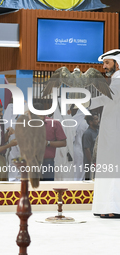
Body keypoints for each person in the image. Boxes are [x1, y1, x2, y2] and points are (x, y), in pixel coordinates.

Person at [90, 49, 120, 218]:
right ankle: (105, 207)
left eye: (107, 63)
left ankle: (113, 208)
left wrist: (86, 99)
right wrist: (86, 101)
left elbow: (108, 97)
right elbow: (106, 98)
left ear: (118, 64)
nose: (104, 67)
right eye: (104, 64)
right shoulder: (115, 81)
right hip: (111, 132)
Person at [33, 103, 67, 181]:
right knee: (32, 189)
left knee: (47, 188)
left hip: (47, 161)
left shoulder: (54, 123)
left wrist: (47, 143)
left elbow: (63, 143)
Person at [0, 102, 17, 181]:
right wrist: (10, 145)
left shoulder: (0, 122)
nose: (1, 114)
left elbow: (2, 141)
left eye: (2, 111)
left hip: (2, 158)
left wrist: (8, 133)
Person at [72, 106, 90, 181]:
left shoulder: (73, 120)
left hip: (73, 148)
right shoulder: (85, 123)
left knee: (74, 168)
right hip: (81, 149)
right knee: (80, 168)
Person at [82, 114, 99, 180]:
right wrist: (92, 163)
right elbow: (87, 149)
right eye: (96, 119)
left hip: (97, 162)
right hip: (90, 163)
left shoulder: (97, 131)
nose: (98, 121)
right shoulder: (87, 133)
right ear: (90, 122)